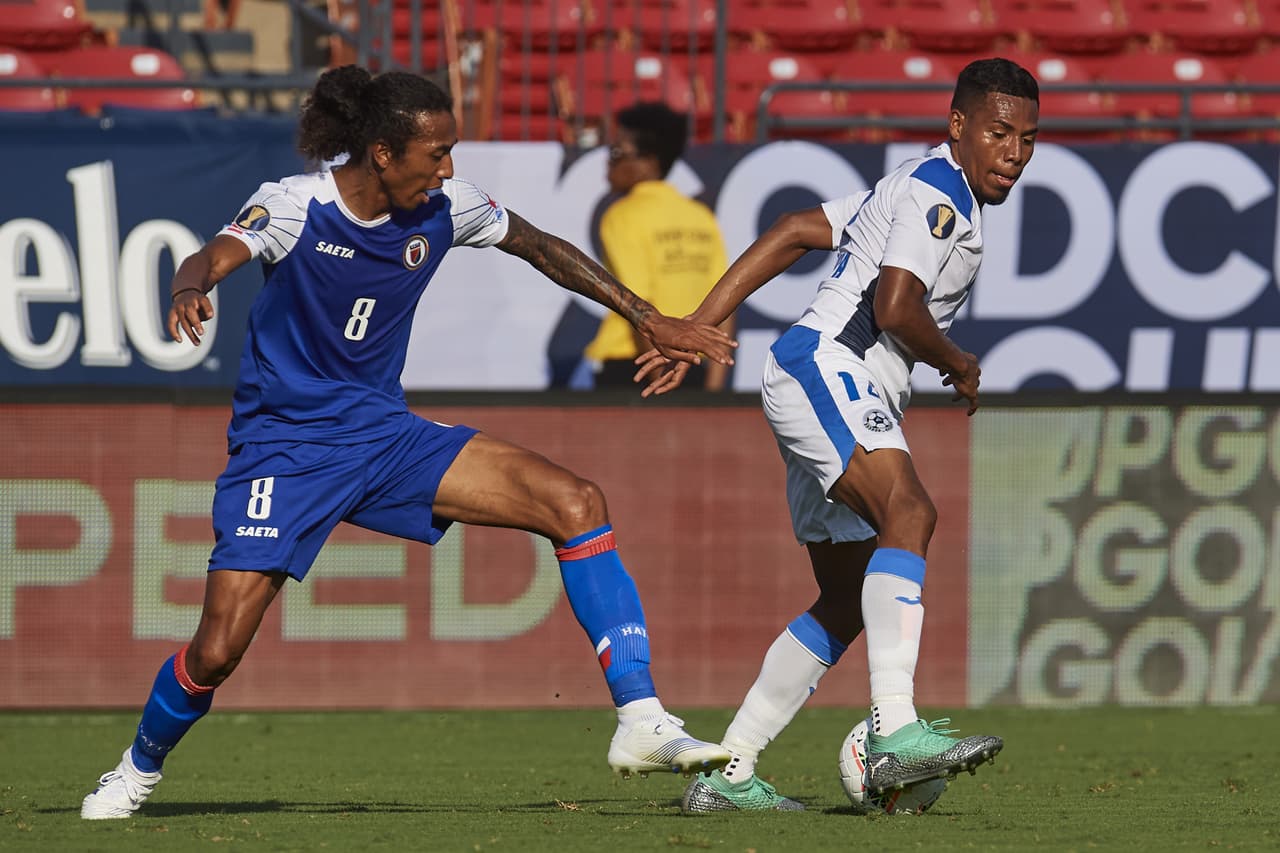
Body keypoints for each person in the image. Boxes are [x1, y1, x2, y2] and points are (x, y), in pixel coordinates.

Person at [80, 66, 737, 820]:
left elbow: (540, 245)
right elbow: (214, 254)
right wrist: (189, 288)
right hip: (284, 450)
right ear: (383, 153)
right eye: (436, 153)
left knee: (576, 500)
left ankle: (641, 716)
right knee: (218, 649)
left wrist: (646, 314)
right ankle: (136, 769)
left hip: (385, 437)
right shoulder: (297, 206)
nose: (449, 168)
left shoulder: (445, 205)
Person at [634, 58, 1040, 812]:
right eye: (998, 133)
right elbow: (894, 305)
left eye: (1027, 138)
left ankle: (729, 773)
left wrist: (701, 319)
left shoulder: (910, 182)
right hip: (831, 365)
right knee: (911, 512)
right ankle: (895, 730)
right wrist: (957, 362)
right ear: (959, 126)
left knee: (848, 598)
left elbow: (793, 230)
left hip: (813, 373)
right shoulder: (937, 190)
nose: (1013, 152)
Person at [583, 102, 734, 391]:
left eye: (616, 152)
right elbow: (726, 305)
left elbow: (640, 302)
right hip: (693, 365)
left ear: (649, 160)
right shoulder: (700, 216)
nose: (607, 161)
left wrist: (660, 383)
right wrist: (714, 390)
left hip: (635, 365)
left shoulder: (622, 215)